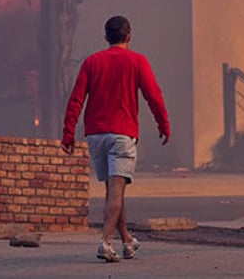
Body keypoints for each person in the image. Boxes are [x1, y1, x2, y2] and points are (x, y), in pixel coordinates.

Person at [61, 15, 170, 263]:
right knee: (116, 191)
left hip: (96, 135)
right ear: (129, 37)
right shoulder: (138, 61)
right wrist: (162, 124)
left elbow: (76, 99)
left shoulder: (92, 62)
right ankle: (105, 242)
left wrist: (68, 133)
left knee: (113, 190)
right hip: (122, 134)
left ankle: (127, 241)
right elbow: (154, 95)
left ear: (106, 37)